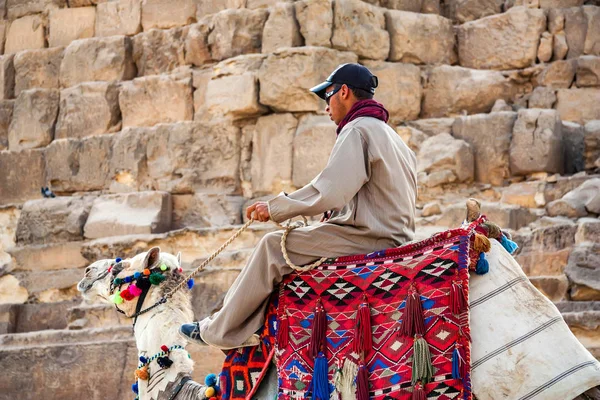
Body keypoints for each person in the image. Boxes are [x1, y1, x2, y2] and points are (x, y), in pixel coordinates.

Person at [180, 63, 417, 350]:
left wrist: (275, 208)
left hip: (369, 237)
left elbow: (330, 192)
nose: (326, 107)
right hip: (395, 234)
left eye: (327, 96)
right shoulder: (390, 135)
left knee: (271, 247)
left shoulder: (357, 129)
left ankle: (218, 332)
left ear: (343, 92)